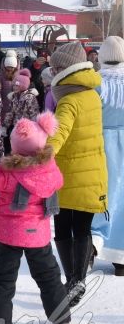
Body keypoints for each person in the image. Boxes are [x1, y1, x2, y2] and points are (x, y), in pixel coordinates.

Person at [0, 112, 70, 324]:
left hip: (8, 234)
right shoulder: (50, 168)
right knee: (48, 275)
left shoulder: (7, 171)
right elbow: (59, 181)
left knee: (4, 279)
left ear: (15, 145)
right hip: (39, 234)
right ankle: (61, 315)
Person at [47, 41, 107, 306]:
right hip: (92, 171)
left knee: (62, 226)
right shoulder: (92, 94)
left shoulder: (69, 100)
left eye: (56, 66)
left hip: (68, 174)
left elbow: (58, 135)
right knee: (82, 227)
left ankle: (71, 279)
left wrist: (39, 156)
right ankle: (77, 279)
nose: (52, 70)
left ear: (66, 69)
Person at [93, 36, 124, 276]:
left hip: (100, 143)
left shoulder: (95, 83)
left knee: (101, 192)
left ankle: (92, 244)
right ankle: (120, 256)